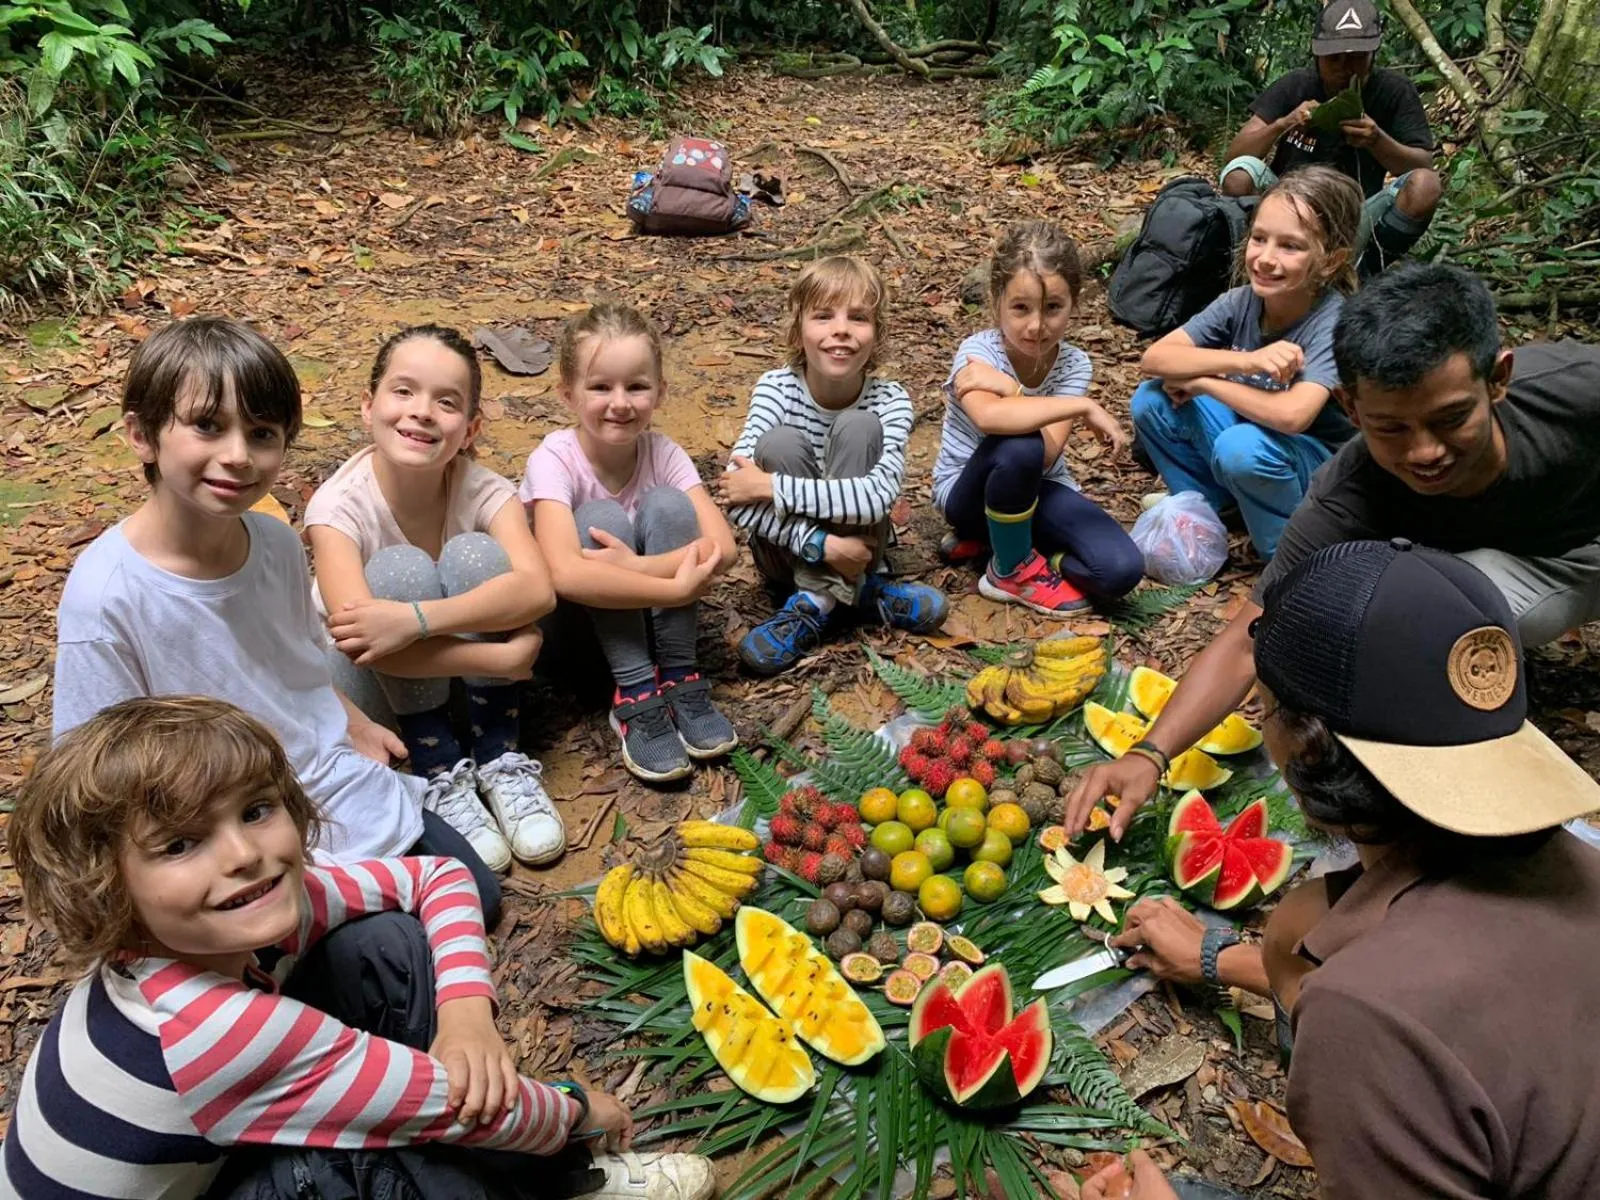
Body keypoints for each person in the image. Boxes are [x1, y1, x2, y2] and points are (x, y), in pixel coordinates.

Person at [3, 695, 717, 1200]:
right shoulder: (216, 1032)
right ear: (109, 888)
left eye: (255, 810)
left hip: (205, 1157)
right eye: (180, 845)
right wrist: (580, 1109)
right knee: (391, 1170)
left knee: (383, 943)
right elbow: (483, 1114)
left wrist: (467, 1013)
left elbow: (437, 876)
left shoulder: (234, 913)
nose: (243, 854)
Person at [1096, 539, 1600, 1198]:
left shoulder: (1364, 1017)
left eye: (1265, 703)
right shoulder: (1582, 858)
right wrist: (1221, 958)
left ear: (1301, 744)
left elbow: (1400, 1016)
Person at [1067, 264, 1600, 841]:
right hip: (1516, 572)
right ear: (1350, 408)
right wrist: (1150, 754)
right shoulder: (1351, 490)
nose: (1424, 451)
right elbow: (1255, 635)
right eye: (1390, 427)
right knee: (1410, 623)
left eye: (1449, 419)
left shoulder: (1576, 389)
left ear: (1498, 379)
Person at [50, 317, 503, 927]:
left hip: (324, 775)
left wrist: (350, 717)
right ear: (141, 433)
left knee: (478, 897)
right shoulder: (108, 596)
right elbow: (89, 776)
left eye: (261, 433)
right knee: (386, 954)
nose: (237, 456)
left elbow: (296, 658)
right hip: (224, 825)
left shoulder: (273, 542)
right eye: (207, 426)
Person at [306, 325, 563, 873]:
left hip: (465, 686)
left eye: (445, 402)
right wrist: (497, 657)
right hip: (373, 691)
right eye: (403, 391)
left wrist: (417, 620)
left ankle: (498, 757)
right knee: (397, 569)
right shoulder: (338, 509)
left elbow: (536, 588)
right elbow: (363, 643)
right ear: (367, 406)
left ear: (469, 429)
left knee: (475, 552)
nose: (421, 412)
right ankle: (438, 768)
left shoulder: (485, 489)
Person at [524, 301, 740, 784]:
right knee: (599, 516)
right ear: (567, 393)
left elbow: (723, 550)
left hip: (652, 626)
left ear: (659, 393)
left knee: (668, 506)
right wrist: (673, 587)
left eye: (636, 386)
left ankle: (681, 680)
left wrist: (636, 568)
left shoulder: (663, 453)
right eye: (600, 387)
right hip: (577, 632)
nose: (619, 402)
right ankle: (636, 697)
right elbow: (565, 573)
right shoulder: (554, 460)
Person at [719, 255, 948, 675]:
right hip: (786, 554)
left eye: (858, 318)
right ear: (798, 328)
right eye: (823, 316)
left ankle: (815, 603)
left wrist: (771, 487)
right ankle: (861, 594)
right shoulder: (776, 389)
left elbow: (878, 497)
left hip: (861, 546)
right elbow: (735, 494)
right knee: (780, 441)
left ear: (877, 334)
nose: (840, 329)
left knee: (859, 426)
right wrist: (823, 547)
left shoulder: (889, 399)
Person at [1132, 166, 1363, 559]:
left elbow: (1293, 416)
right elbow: (1155, 359)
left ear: (1331, 260)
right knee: (1151, 400)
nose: (1266, 258)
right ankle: (1213, 510)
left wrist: (1204, 381)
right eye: (1259, 238)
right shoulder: (1241, 302)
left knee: (1240, 446)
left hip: (1316, 468)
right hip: (1253, 438)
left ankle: (1285, 554)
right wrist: (1246, 362)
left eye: (1290, 246)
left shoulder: (1332, 321)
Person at [933, 219, 1143, 614]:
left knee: (1120, 571)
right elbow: (991, 418)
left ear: (1073, 305)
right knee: (1019, 443)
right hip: (968, 492)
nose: (1036, 326)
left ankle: (1009, 546)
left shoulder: (1073, 363)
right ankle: (1008, 570)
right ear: (997, 302)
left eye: (1052, 309)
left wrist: (1015, 392)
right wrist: (1082, 407)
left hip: (1039, 488)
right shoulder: (978, 352)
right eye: (1020, 308)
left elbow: (1047, 455)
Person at [1218, 0, 1441, 278]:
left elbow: (1423, 166)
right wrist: (1283, 124)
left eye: (1356, 57)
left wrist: (1377, 140)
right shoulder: (1296, 84)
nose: (1344, 67)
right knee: (1239, 176)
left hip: (1355, 217)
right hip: (1284, 208)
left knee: (1425, 186)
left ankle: (1362, 273)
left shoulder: (1394, 92)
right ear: (1317, 56)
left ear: (1373, 54)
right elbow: (1234, 156)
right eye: (1333, 58)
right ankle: (1251, 266)